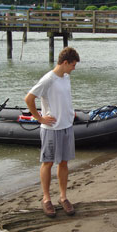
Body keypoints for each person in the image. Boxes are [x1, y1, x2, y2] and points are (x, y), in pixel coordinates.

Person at [25, 47, 80, 218]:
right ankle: (46, 198)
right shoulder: (48, 79)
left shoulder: (66, 77)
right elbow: (29, 98)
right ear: (65, 63)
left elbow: (64, 98)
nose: (74, 68)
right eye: (73, 65)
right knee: (47, 162)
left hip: (66, 126)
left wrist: (70, 112)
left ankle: (63, 197)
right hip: (51, 128)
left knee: (63, 163)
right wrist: (40, 118)